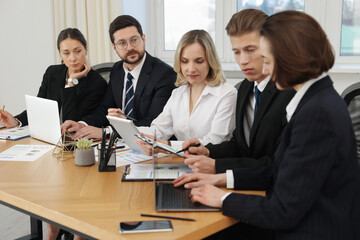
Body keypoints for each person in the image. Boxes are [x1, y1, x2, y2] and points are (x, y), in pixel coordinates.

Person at [174, 10, 360, 240]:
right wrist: (220, 178)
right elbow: (277, 171)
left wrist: (221, 198)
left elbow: (283, 210)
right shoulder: (317, 101)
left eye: (268, 57)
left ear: (293, 54)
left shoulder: (317, 113)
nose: (266, 68)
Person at [180, 9, 294, 174]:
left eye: (250, 50)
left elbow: (281, 164)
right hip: (249, 183)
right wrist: (208, 151)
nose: (243, 61)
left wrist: (217, 168)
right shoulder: (245, 88)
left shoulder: (291, 93)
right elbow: (240, 146)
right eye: (237, 52)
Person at [61, 15, 177, 139]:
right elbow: (104, 109)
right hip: (122, 146)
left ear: (143, 39)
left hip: (150, 144)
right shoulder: (117, 70)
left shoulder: (165, 74)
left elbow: (154, 123)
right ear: (115, 47)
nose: (130, 47)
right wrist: (82, 124)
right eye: (122, 43)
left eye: (134, 40)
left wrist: (107, 131)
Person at [135, 30, 237, 154]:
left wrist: (166, 145)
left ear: (210, 61)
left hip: (211, 165)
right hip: (182, 164)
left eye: (199, 61)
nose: (191, 69)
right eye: (185, 61)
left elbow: (215, 141)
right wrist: (131, 131)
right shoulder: (178, 94)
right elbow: (159, 130)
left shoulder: (227, 94)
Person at [0, 28, 107, 129]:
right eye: (66, 53)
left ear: (86, 49)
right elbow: (39, 107)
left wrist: (71, 83)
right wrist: (16, 121)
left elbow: (70, 121)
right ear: (60, 54)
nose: (72, 58)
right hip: (47, 134)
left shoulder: (97, 83)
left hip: (72, 140)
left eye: (77, 51)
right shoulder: (52, 73)